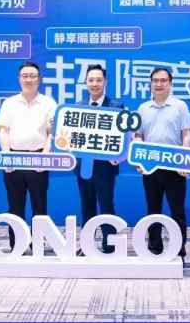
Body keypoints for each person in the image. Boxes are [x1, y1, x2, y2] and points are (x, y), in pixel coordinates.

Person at [0, 62, 57, 251]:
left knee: (40, 206)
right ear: (19, 79)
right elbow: (3, 131)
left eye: (33, 76)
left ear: (39, 79)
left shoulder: (49, 103)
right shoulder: (9, 103)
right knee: (15, 206)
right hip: (14, 159)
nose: (29, 79)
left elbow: (52, 133)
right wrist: (6, 156)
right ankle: (17, 246)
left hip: (38, 159)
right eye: (25, 76)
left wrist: (45, 157)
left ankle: (38, 245)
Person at [135, 67, 190, 258]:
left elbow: (186, 134)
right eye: (155, 80)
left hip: (175, 166)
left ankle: (179, 247)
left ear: (170, 83)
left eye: (163, 80)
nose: (159, 84)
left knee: (177, 209)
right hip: (150, 166)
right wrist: (139, 160)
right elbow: (138, 136)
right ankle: (155, 246)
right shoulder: (143, 108)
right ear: (150, 83)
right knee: (153, 209)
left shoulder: (180, 106)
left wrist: (185, 162)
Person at [74, 64, 122, 255]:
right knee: (86, 205)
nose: (95, 83)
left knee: (106, 204)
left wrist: (118, 156)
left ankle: (110, 245)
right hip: (83, 166)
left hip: (105, 167)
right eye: (91, 80)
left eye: (98, 80)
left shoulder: (116, 106)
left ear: (105, 82)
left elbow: (124, 137)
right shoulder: (77, 107)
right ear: (86, 82)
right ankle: (86, 245)